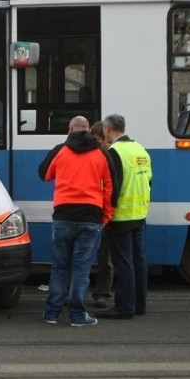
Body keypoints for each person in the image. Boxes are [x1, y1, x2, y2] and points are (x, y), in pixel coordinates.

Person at [38, 116, 117, 327]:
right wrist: (106, 216)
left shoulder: (61, 150)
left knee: (60, 267)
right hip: (90, 218)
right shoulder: (101, 153)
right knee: (81, 269)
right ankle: (77, 315)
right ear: (90, 129)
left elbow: (44, 174)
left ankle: (51, 313)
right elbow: (111, 188)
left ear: (70, 129)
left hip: (63, 216)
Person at [97, 114, 153, 320]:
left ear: (108, 129)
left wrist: (106, 215)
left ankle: (124, 307)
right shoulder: (141, 150)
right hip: (140, 213)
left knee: (123, 262)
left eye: (104, 129)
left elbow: (112, 187)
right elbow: (149, 181)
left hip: (121, 216)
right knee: (139, 260)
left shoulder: (114, 152)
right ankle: (139, 304)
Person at [89, 120, 115, 309]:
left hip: (96, 211)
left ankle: (99, 293)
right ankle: (101, 294)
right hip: (100, 211)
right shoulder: (104, 154)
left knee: (97, 256)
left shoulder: (108, 154)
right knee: (105, 257)